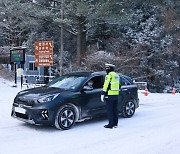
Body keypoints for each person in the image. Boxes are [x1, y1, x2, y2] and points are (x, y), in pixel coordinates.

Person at [101, 63, 120, 129]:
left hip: (110, 95)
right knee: (115, 109)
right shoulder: (116, 75)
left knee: (110, 110)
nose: (106, 70)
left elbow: (106, 84)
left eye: (107, 69)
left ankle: (110, 124)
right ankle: (115, 123)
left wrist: (103, 93)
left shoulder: (109, 75)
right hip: (116, 94)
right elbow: (119, 85)